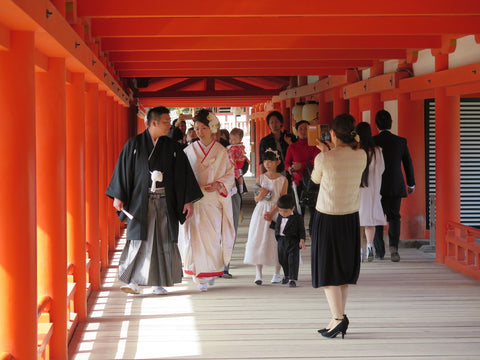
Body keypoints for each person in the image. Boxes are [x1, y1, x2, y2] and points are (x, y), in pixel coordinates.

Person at [106, 106, 203, 295]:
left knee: (162, 239)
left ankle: (158, 282)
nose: (169, 126)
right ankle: (133, 281)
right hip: (139, 201)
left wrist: (187, 200)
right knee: (138, 240)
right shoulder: (134, 145)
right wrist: (118, 195)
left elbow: (183, 175)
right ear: (154, 123)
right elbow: (123, 171)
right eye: (166, 122)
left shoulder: (172, 147)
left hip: (165, 201)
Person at [310, 113, 366, 339]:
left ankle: (340, 319)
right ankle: (336, 317)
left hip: (329, 217)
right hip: (350, 217)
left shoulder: (324, 158)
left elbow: (316, 179)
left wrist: (325, 153)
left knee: (328, 271)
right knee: (342, 270)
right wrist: (329, 152)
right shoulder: (362, 155)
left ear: (332, 134)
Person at [181, 109, 236, 292]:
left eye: (204, 128)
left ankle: (212, 270)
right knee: (195, 237)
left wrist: (220, 184)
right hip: (195, 199)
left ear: (211, 128)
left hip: (213, 199)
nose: (200, 131)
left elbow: (230, 174)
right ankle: (199, 275)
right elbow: (181, 176)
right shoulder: (188, 151)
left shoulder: (221, 151)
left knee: (213, 237)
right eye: (197, 128)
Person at [373, 110, 415, 262]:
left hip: (377, 185)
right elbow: (408, 164)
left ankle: (379, 251)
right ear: (391, 123)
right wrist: (411, 184)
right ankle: (394, 248)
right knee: (394, 217)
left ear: (376, 124)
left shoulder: (372, 141)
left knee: (377, 218)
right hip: (395, 184)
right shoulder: (400, 141)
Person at [244, 148, 288, 285]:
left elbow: (283, 200)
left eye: (271, 161)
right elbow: (256, 199)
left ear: (277, 162)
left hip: (276, 211)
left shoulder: (283, 179)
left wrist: (273, 212)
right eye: (265, 161)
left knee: (276, 241)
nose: (267, 164)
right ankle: (258, 273)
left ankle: (277, 273)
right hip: (261, 211)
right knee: (259, 239)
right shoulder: (261, 178)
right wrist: (261, 194)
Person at [356, 122, 387, 262]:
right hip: (372, 189)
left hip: (357, 188)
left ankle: (359, 250)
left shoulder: (355, 150)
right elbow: (381, 170)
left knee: (357, 220)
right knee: (370, 219)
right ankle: (369, 245)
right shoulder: (377, 150)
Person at [284, 120, 320, 230]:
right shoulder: (292, 147)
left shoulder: (315, 146)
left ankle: (313, 232)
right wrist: (289, 168)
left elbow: (317, 161)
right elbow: (287, 162)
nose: (303, 131)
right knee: (298, 210)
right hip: (297, 182)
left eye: (306, 128)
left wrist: (302, 165)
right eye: (301, 129)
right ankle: (299, 234)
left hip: (312, 182)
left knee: (314, 210)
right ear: (297, 131)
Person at [271, 194, 306, 288]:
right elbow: (279, 227)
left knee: (292, 260)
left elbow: (301, 230)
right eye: (280, 210)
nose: (283, 213)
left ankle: (292, 279)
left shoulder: (297, 218)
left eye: (286, 211)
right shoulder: (280, 216)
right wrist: (270, 223)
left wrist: (302, 240)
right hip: (281, 241)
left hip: (293, 241)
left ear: (293, 208)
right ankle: (286, 275)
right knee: (282, 260)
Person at [258, 111, 295, 175]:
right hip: (272, 174)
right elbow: (262, 160)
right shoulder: (265, 141)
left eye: (277, 121)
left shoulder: (289, 137)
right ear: (269, 124)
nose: (274, 124)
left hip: (289, 171)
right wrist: (262, 177)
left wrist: (290, 143)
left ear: (281, 123)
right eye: (272, 122)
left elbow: (297, 153)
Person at [227, 127, 250, 193]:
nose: (231, 141)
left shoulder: (233, 148)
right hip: (241, 162)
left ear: (240, 139)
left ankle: (234, 188)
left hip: (236, 163)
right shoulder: (240, 146)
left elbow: (231, 157)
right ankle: (241, 188)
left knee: (232, 175)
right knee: (240, 177)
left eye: (234, 139)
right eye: (230, 138)